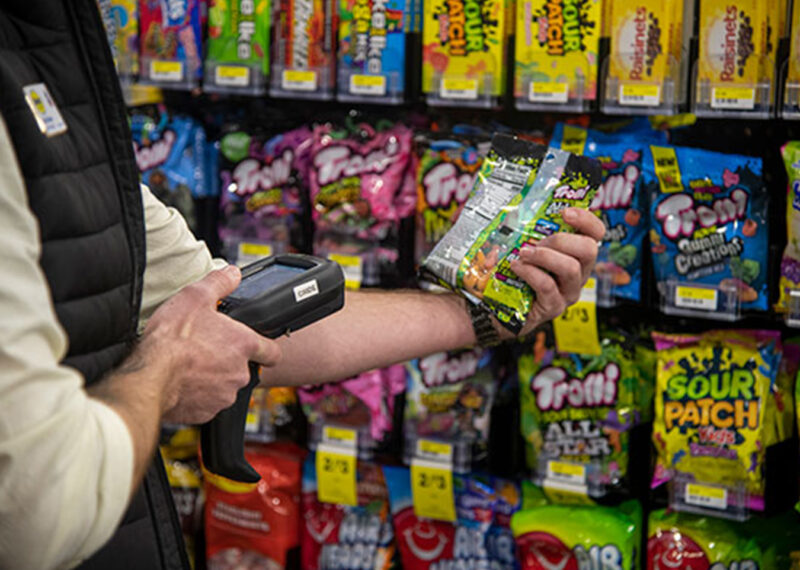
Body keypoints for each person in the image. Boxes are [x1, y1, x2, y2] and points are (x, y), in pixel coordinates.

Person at [0, 2, 605, 569]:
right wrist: (165, 370)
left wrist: (475, 313)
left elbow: (240, 322)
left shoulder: (49, 60)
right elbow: (36, 507)